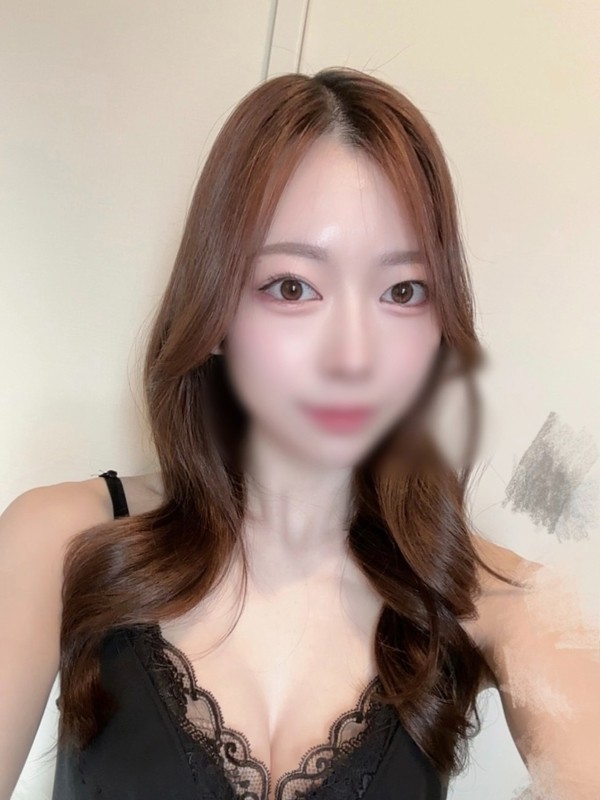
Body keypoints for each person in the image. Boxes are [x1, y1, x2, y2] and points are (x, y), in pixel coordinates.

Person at [1, 67, 598, 800]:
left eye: (403, 291)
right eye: (293, 287)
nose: (354, 357)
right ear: (215, 314)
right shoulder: (60, 540)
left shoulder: (503, 604)